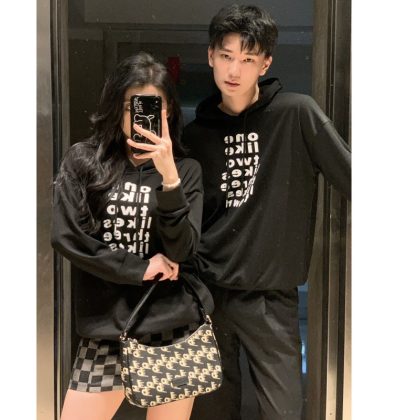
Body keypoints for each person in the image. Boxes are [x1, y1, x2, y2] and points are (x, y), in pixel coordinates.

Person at [182, 4, 351, 420]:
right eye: (226, 55)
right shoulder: (194, 135)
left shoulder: (296, 113)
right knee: (212, 412)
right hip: (207, 296)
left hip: (270, 299)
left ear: (265, 63)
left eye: (247, 58)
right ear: (210, 55)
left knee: (282, 411)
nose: (234, 69)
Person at [51, 52, 213, 420]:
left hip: (171, 326)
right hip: (107, 327)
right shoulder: (84, 161)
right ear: (116, 107)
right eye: (131, 106)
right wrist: (138, 268)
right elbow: (67, 236)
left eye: (153, 107)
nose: (140, 118)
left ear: (168, 110)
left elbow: (183, 250)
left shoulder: (185, 171)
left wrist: (169, 178)